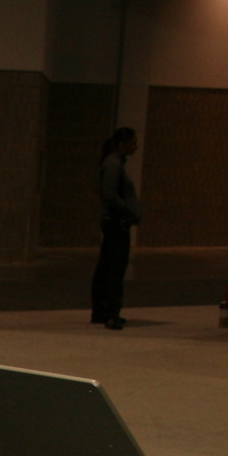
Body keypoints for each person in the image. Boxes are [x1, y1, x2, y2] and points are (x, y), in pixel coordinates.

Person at [91, 127, 142, 329]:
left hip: (114, 222)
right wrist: (130, 211)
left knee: (106, 266)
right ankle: (111, 313)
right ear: (122, 145)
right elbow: (110, 196)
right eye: (133, 143)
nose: (135, 147)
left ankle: (101, 311)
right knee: (115, 268)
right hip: (116, 223)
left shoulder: (113, 163)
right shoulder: (113, 165)